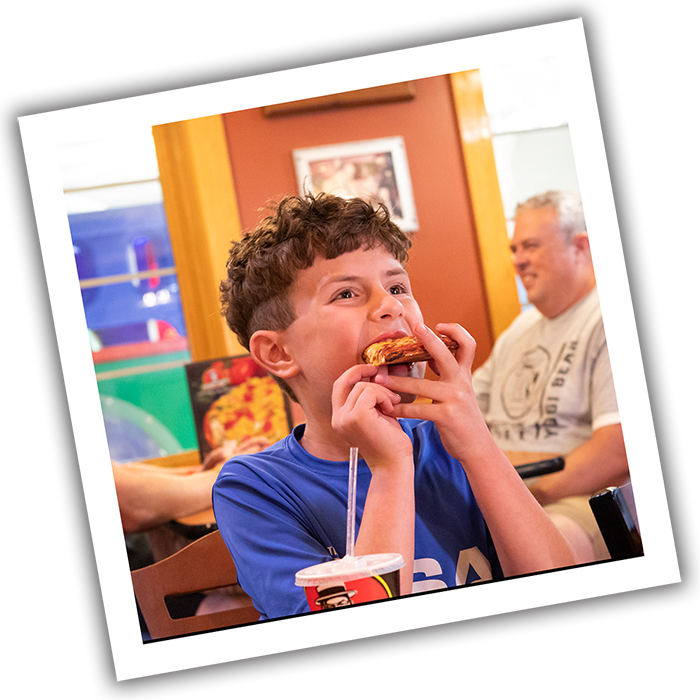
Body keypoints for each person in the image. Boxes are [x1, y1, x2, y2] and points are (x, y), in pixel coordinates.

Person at [212, 192, 575, 621]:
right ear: (278, 353)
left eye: (398, 286)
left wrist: (478, 445)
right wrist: (388, 467)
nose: (390, 305)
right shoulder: (253, 489)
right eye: (346, 293)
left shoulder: (449, 444)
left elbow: (561, 594)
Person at [472, 190, 630, 563]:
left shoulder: (612, 318)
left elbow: (617, 451)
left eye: (530, 246)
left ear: (580, 246)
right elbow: (461, 413)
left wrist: (518, 496)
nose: (519, 261)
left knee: (532, 552)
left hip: (575, 501)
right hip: (501, 493)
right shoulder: (518, 330)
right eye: (514, 249)